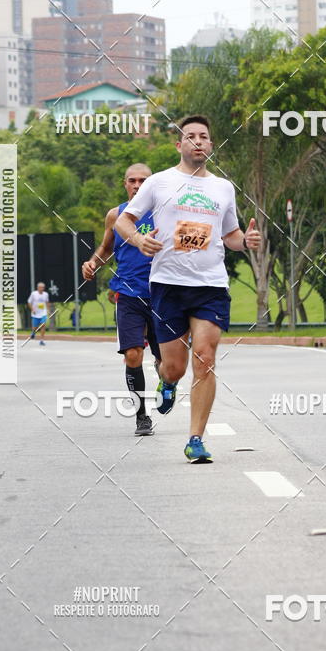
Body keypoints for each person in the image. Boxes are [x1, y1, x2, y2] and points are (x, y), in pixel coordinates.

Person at [115, 116, 261, 463]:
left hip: (210, 285)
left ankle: (195, 438)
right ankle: (167, 382)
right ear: (179, 145)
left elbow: (231, 236)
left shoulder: (223, 188)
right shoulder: (159, 182)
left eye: (204, 137)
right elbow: (124, 220)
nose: (198, 141)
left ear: (211, 146)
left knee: (205, 360)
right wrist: (138, 240)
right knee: (174, 367)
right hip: (168, 286)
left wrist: (247, 242)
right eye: (190, 136)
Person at [82, 163, 161, 436]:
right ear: (125, 183)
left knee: (167, 364)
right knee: (132, 355)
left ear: (152, 184)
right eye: (132, 180)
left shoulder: (165, 212)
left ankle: (169, 385)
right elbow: (106, 248)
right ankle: (142, 416)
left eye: (143, 181)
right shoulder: (115, 215)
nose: (137, 185)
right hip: (128, 294)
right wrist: (93, 263)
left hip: (163, 293)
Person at [27, 282, 50, 346]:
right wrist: (32, 309)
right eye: (41, 287)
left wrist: (48, 310)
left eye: (43, 287)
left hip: (43, 313)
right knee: (35, 327)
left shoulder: (46, 294)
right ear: (38, 288)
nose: (42, 288)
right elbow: (29, 302)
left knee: (43, 325)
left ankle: (42, 340)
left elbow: (47, 302)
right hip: (35, 313)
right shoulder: (33, 294)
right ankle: (33, 333)